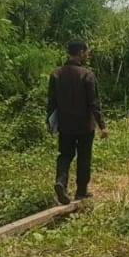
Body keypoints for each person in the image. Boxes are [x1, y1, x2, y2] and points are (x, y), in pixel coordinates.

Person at [47, 39, 109, 205]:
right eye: (86, 52)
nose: (87, 55)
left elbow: (51, 102)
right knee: (84, 157)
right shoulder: (87, 75)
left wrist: (50, 122)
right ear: (81, 52)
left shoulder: (56, 74)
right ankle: (81, 192)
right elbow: (94, 103)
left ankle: (61, 182)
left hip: (65, 124)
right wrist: (102, 126)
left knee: (65, 155)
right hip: (84, 126)